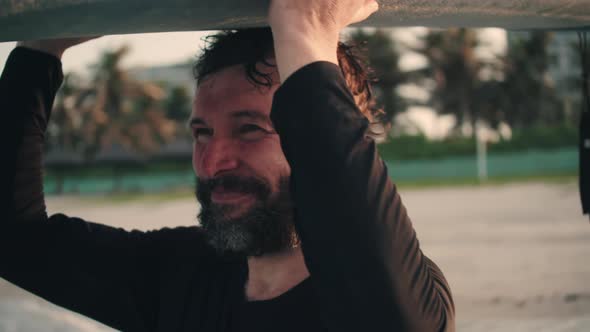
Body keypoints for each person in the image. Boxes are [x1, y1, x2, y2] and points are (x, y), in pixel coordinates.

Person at [0, 0, 455, 331]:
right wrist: (42, 45)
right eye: (202, 132)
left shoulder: (390, 297)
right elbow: (11, 237)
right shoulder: (178, 274)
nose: (213, 160)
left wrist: (303, 27)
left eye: (251, 129)